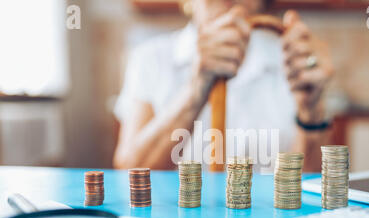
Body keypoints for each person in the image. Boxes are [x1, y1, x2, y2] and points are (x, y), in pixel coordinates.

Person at [113, 0, 334, 172]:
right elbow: (129, 172)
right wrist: (196, 88)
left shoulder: (294, 61)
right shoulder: (150, 59)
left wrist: (310, 110)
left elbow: (309, 184)